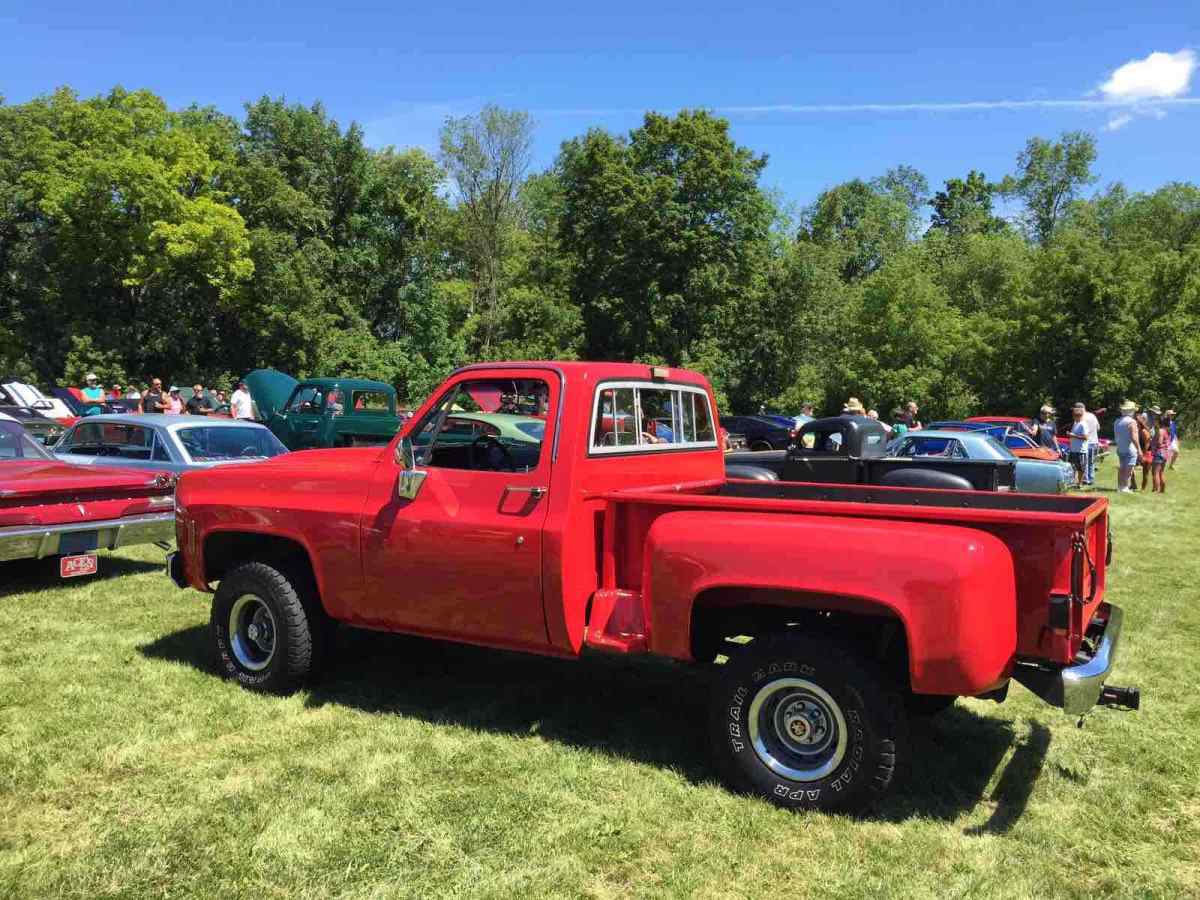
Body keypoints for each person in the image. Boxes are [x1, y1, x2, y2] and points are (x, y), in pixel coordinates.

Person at [1113, 400, 1138, 493]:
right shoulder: (1132, 422)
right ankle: (1125, 487)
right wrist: (1139, 449)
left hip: (1120, 448)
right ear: (1131, 411)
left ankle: (1120, 486)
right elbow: (1134, 437)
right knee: (1128, 469)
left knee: (1122, 468)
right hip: (1129, 448)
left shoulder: (1117, 421)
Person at [1067, 403, 1088, 488]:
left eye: (1075, 415)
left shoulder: (1083, 424)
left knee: (1080, 468)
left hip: (1081, 450)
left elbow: (1085, 437)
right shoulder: (1076, 423)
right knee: (1073, 467)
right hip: (1073, 449)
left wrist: (1072, 435)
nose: (1074, 417)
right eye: (1074, 415)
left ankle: (1080, 483)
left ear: (1080, 415)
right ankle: (1073, 482)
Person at [1081, 403, 1100, 486]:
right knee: (1091, 462)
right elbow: (1098, 427)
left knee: (1084, 461)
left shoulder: (1080, 417)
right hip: (1094, 441)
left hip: (1086, 442)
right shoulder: (1092, 415)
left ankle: (1086, 479)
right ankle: (1091, 479)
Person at [1151, 417, 1171, 493]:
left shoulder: (1160, 431)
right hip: (1165, 453)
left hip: (1159, 453)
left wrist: (1153, 443)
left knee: (1155, 473)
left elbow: (1159, 442)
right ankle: (1162, 490)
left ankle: (1156, 490)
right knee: (1161, 472)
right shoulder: (1166, 431)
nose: (1155, 422)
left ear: (1160, 423)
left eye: (1156, 421)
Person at [1135, 412, 1152, 492]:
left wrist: (1143, 455)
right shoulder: (1139, 430)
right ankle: (1134, 485)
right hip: (1142, 453)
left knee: (1145, 473)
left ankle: (1143, 489)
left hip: (1147, 454)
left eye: (1136, 422)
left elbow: (1147, 445)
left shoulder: (1144, 431)